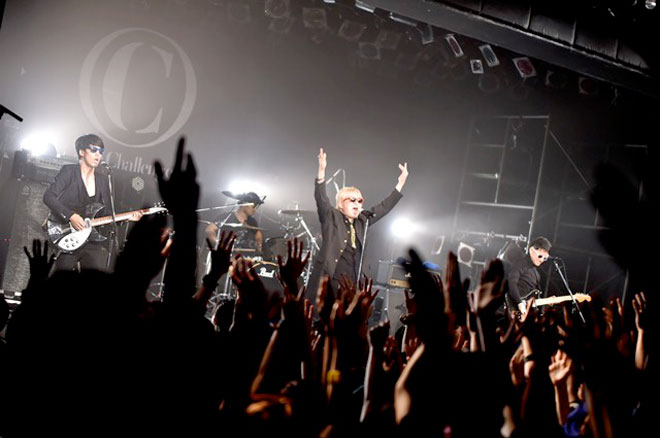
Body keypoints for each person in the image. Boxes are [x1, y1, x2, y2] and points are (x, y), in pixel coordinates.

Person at [307, 147, 408, 300]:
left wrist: (400, 184)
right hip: (331, 280)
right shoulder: (332, 216)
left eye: (360, 201)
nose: (357, 203)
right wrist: (321, 173)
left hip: (352, 283)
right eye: (352, 200)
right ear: (341, 204)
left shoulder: (363, 221)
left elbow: (383, 207)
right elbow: (321, 199)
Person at [43, 134, 141, 271]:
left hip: (92, 239)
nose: (98, 155)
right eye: (94, 150)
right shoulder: (69, 171)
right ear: (81, 152)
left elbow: (105, 212)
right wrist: (71, 216)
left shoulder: (103, 180)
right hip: (68, 234)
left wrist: (126, 218)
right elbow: (48, 196)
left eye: (101, 151)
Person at [504, 236, 552, 315]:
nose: (541, 260)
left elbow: (531, 297)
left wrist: (546, 301)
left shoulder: (536, 274)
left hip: (524, 312)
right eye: (540, 256)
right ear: (532, 251)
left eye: (545, 258)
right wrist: (519, 303)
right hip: (513, 309)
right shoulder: (521, 263)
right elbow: (511, 283)